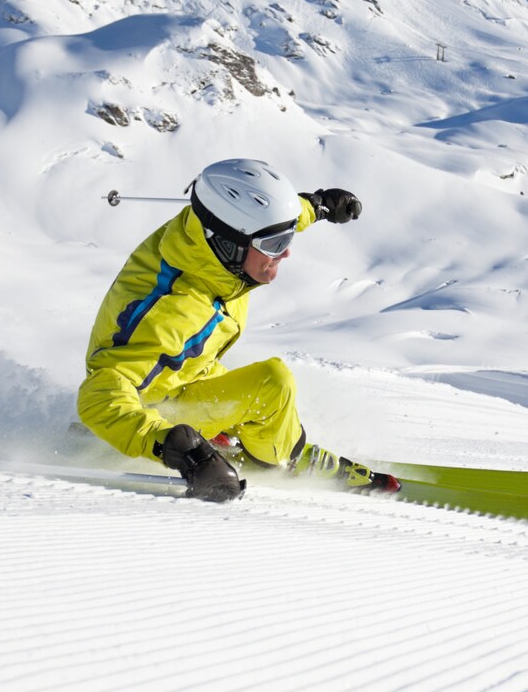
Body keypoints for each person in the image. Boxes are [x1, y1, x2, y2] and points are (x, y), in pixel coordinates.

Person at [78, 157, 396, 502]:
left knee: (267, 388)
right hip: (158, 409)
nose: (286, 253)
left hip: (187, 371)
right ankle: (283, 460)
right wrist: (181, 449)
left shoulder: (207, 242)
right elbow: (99, 394)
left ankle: (250, 437)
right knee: (273, 384)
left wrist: (317, 206)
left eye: (287, 237)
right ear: (228, 244)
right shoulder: (170, 314)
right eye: (274, 244)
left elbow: (264, 222)